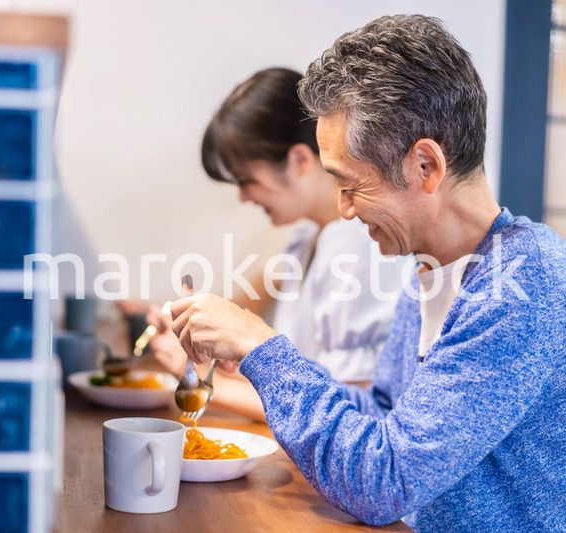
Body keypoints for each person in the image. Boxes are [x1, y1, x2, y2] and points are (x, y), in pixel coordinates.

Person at [167, 15, 566, 532]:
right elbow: (384, 411)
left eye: (350, 184)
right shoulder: (431, 268)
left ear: (426, 166)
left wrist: (263, 348)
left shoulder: (522, 280)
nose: (344, 210)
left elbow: (384, 484)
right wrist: (251, 356)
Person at [147, 67, 406, 422]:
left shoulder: (359, 246)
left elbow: (347, 415)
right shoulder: (307, 238)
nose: (243, 197)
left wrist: (195, 377)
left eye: (247, 181)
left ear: (300, 160)